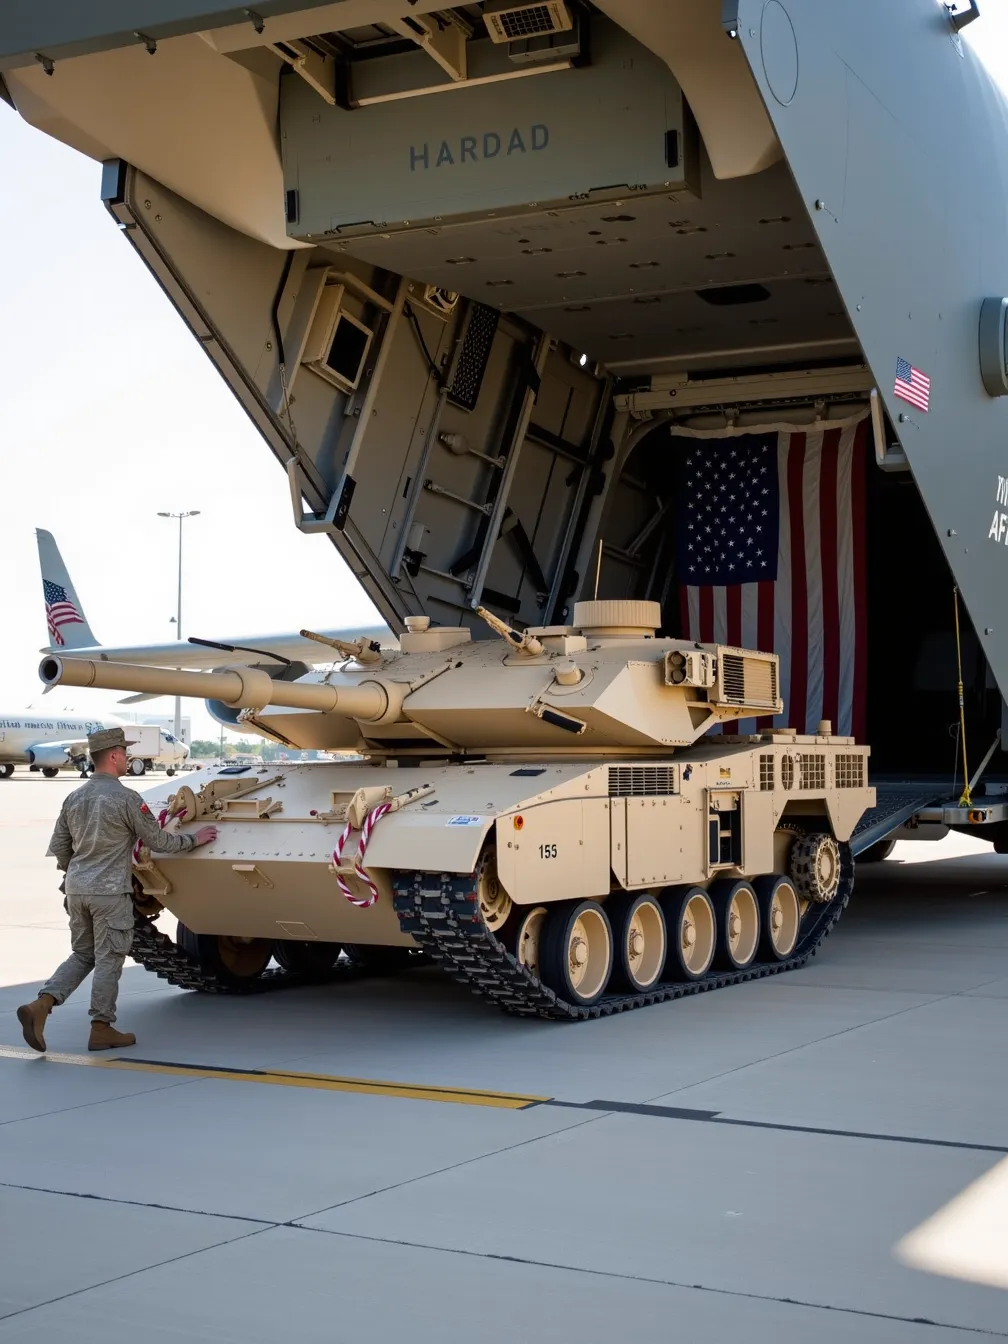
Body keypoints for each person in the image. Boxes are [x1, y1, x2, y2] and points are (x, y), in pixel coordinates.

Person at [16, 727, 217, 1053]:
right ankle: (102, 1028)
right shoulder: (126, 798)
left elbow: (60, 848)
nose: (128, 758)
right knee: (110, 957)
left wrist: (78, 873)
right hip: (109, 893)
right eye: (124, 753)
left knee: (84, 954)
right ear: (112, 756)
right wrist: (196, 839)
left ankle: (41, 1005)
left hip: (77, 889)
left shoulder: (74, 797)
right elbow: (159, 841)